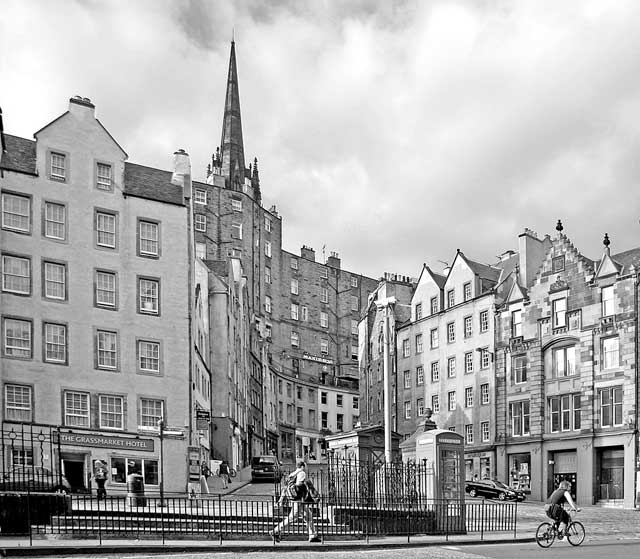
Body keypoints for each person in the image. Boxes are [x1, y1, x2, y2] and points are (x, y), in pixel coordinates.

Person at [270, 460, 320, 543]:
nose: (307, 468)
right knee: (292, 517)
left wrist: (281, 500)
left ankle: (312, 536)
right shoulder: (302, 473)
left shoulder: (292, 475)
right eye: (306, 466)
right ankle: (275, 531)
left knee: (309, 516)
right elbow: (299, 486)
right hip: (299, 500)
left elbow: (285, 488)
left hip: (294, 500)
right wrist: (308, 487)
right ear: (303, 466)